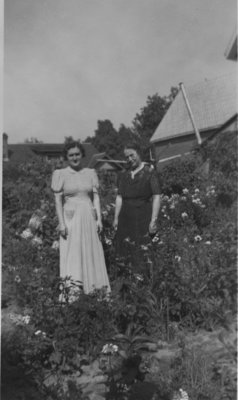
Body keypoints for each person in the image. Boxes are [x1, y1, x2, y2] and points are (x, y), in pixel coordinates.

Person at [51, 141, 111, 295]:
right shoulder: (60, 174)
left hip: (89, 217)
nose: (75, 157)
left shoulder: (90, 172)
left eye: (77, 154)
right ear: (66, 157)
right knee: (73, 255)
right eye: (71, 155)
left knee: (92, 252)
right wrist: (61, 223)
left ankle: (95, 290)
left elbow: (96, 198)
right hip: (70, 219)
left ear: (82, 155)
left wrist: (99, 220)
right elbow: (58, 201)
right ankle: (74, 294)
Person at [113, 142, 161, 256]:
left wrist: (153, 220)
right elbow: (119, 197)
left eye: (132, 155)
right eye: (127, 157)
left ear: (139, 154)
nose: (129, 159)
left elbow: (157, 196)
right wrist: (116, 218)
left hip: (143, 217)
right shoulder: (123, 175)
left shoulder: (149, 172)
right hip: (125, 218)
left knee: (144, 250)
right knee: (125, 251)